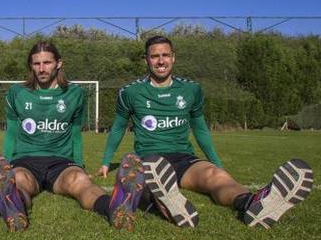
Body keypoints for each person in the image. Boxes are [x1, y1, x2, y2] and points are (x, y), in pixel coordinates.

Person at [97, 35, 313, 228]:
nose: (161, 61)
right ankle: (161, 201)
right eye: (154, 56)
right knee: (140, 180)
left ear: (174, 57)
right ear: (146, 59)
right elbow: (118, 128)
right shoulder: (131, 92)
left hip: (183, 158)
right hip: (150, 160)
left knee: (215, 177)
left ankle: (252, 203)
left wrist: (216, 163)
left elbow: (200, 128)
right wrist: (106, 162)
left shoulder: (192, 90)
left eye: (165, 55)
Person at [0, 40, 146, 231]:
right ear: (31, 66)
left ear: (58, 63)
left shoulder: (75, 93)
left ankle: (113, 207)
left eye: (47, 62)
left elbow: (75, 133)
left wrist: (78, 164)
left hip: (61, 162)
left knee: (80, 182)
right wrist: (7, 163)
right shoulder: (17, 92)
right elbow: (11, 132)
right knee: (19, 181)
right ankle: (13, 205)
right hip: (26, 159)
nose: (42, 68)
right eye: (36, 64)